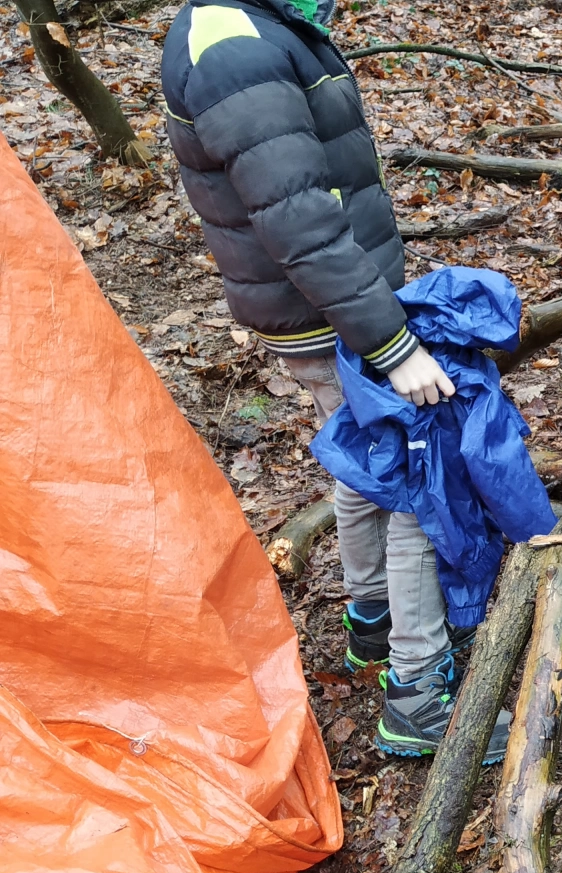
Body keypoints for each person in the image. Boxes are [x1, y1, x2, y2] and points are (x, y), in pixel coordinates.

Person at [161, 0, 510, 760]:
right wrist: (391, 346)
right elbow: (298, 220)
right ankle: (418, 695)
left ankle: (374, 621)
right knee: (422, 477)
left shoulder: (251, 25)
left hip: (328, 306)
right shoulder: (232, 44)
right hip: (333, 315)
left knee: (365, 460)